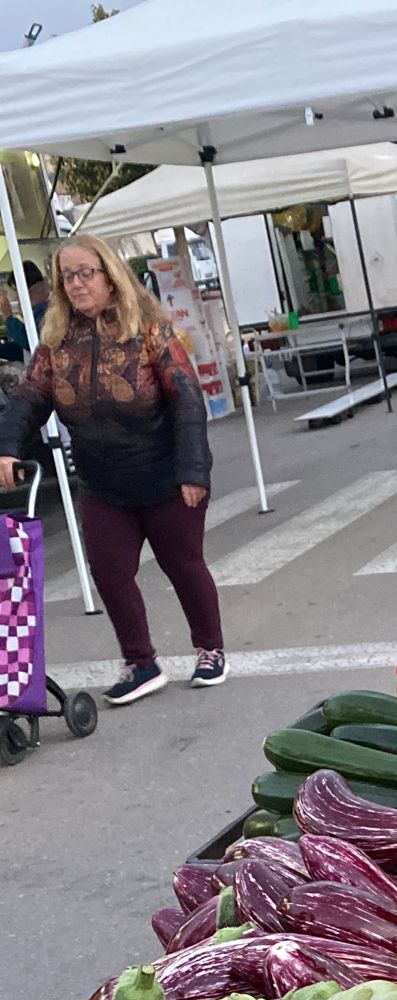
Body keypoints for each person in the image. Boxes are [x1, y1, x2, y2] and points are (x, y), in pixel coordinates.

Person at [0, 234, 226, 707]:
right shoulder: (57, 342)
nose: (77, 284)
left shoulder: (149, 330)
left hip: (164, 475)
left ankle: (209, 649)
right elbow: (28, 399)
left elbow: (186, 399)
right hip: (102, 482)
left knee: (183, 565)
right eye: (68, 276)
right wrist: (5, 447)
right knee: (109, 571)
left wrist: (193, 470)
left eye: (87, 273)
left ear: (109, 275)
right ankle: (141, 663)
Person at [0, 261, 50, 361]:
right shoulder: (40, 306)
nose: (16, 296)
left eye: (16, 290)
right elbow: (23, 351)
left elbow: (31, 343)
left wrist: (9, 317)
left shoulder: (44, 310)